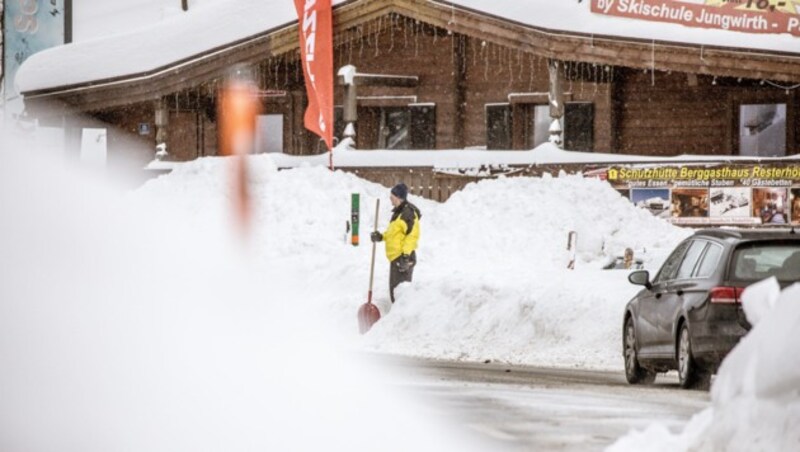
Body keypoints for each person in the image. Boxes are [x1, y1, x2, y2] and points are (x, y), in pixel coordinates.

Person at [371, 183, 421, 303]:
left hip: (403, 259)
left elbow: (412, 236)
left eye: (392, 197)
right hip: (396, 259)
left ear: (399, 197)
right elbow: (393, 234)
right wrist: (381, 236)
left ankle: (403, 320)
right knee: (395, 294)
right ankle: (396, 319)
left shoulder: (408, 213)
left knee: (401, 297)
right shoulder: (398, 212)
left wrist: (405, 256)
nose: (390, 199)